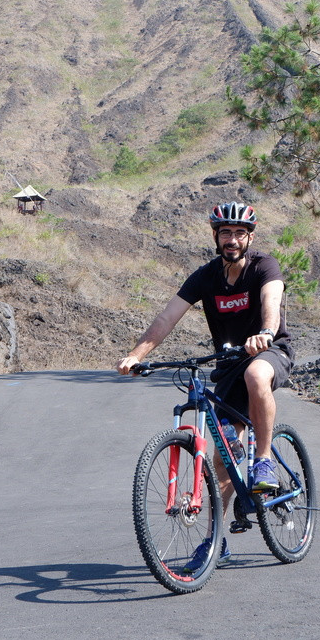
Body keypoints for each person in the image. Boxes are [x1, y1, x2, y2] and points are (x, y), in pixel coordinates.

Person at [117, 202, 293, 569]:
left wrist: (264, 332)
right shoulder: (205, 276)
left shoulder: (264, 266)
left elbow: (271, 303)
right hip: (229, 364)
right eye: (225, 233)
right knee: (223, 457)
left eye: (239, 233)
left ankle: (263, 461)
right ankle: (217, 540)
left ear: (250, 237)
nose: (232, 239)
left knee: (256, 374)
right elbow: (167, 317)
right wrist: (136, 354)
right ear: (216, 236)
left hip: (270, 350)